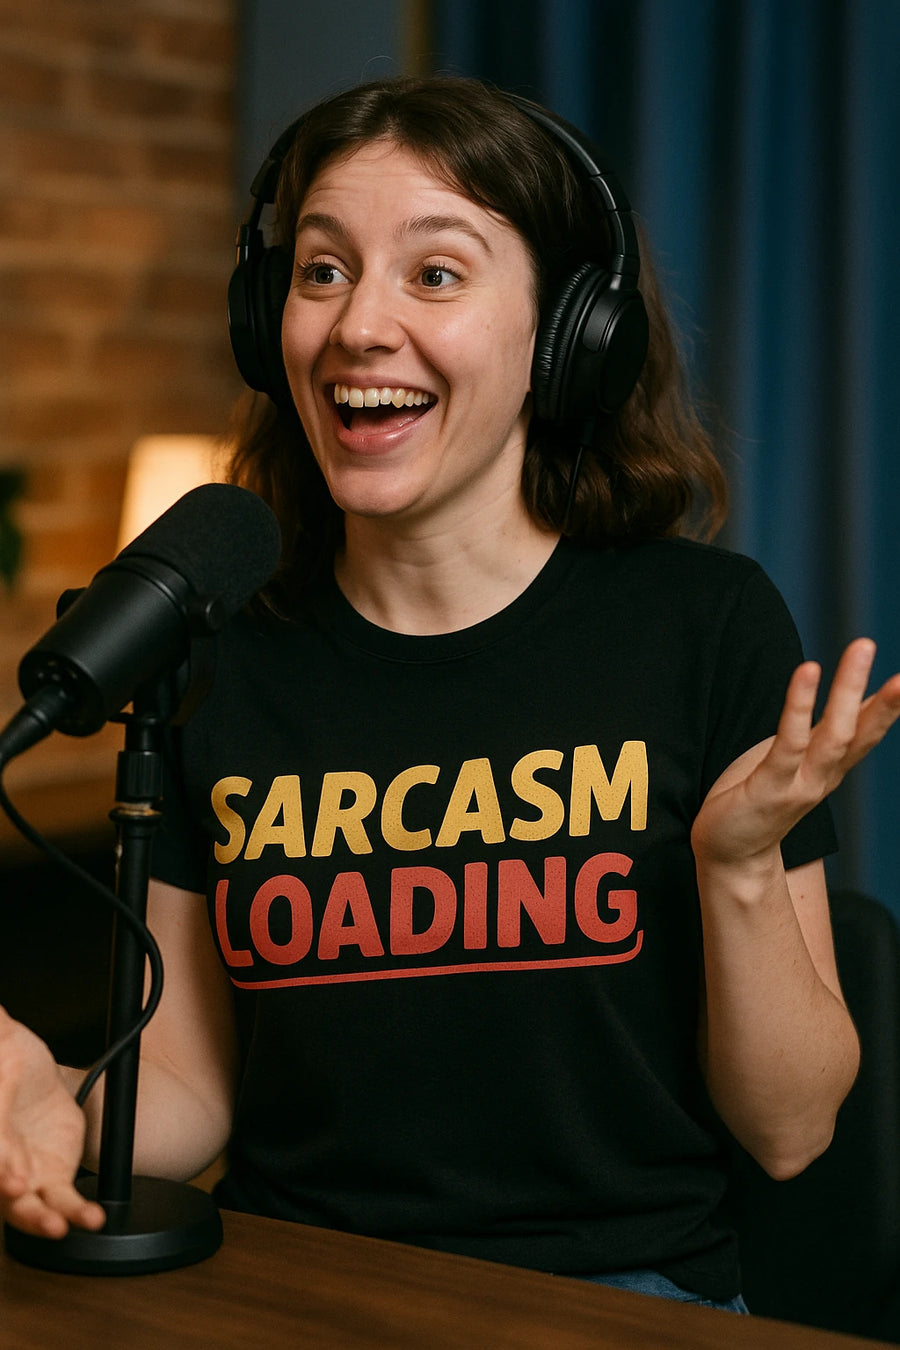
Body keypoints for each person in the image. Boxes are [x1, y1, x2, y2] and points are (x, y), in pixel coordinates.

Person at [1, 75, 899, 1314]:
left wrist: (738, 869)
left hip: (620, 1299)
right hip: (298, 1287)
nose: (359, 326)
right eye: (322, 271)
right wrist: (53, 1094)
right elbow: (193, 1085)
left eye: (435, 274)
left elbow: (793, 1132)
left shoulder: (702, 626)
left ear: (567, 336)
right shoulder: (225, 657)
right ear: (268, 321)